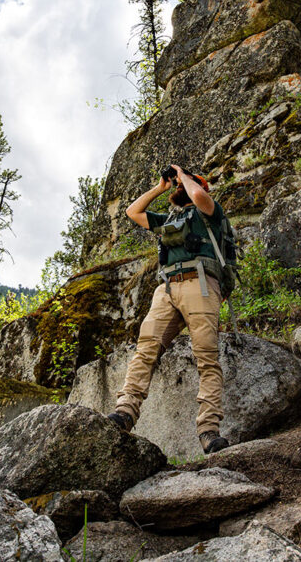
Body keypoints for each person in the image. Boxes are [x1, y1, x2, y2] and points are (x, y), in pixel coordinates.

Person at [106, 164, 231, 454]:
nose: (178, 187)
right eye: (177, 185)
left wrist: (186, 175)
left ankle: (208, 430)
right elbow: (133, 212)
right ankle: (125, 411)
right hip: (167, 289)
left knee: (206, 357)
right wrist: (160, 188)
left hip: (200, 284)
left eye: (180, 185)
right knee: (145, 349)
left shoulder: (209, 213)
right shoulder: (170, 219)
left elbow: (199, 196)